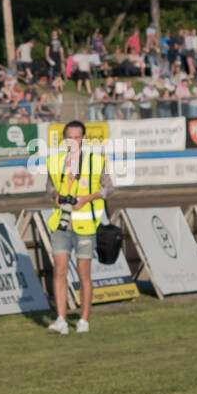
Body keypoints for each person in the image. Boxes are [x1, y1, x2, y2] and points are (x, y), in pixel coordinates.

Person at [44, 119, 113, 334]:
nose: (73, 141)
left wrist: (87, 198)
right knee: (60, 271)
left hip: (85, 225)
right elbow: (48, 188)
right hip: (61, 223)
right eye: (69, 137)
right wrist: (55, 195)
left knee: (84, 275)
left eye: (77, 137)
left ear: (83, 138)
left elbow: (108, 189)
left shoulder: (95, 161)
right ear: (64, 139)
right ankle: (61, 320)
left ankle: (83, 320)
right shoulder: (55, 162)